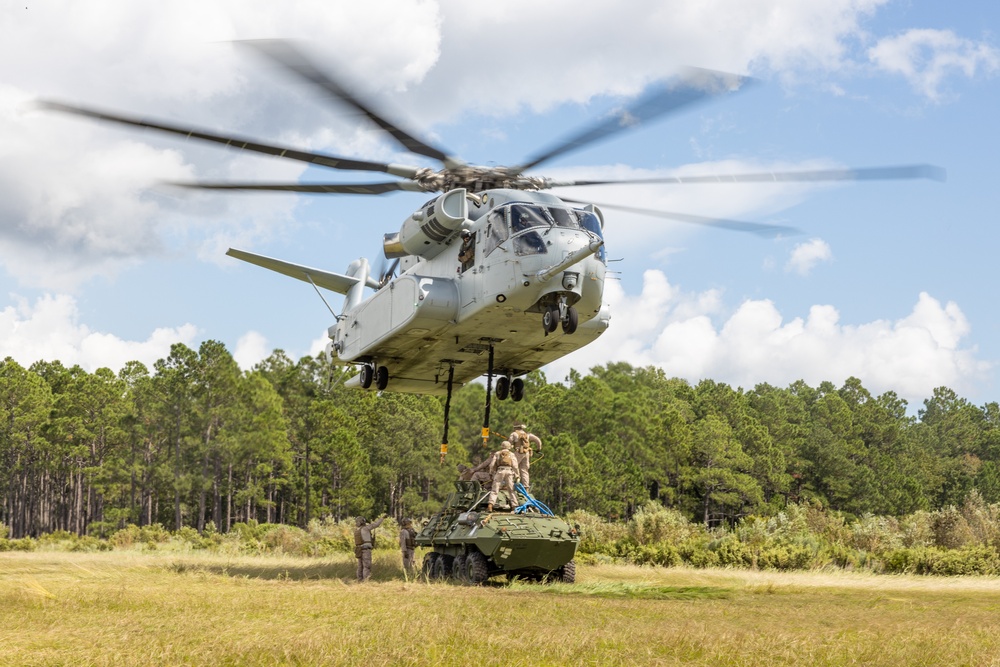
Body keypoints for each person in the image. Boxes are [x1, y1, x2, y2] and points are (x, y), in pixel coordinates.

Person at [485, 440, 520, 513]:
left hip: (500, 471)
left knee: (495, 489)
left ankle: (490, 505)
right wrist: (517, 475)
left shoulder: (497, 453)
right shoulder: (511, 454)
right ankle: (514, 506)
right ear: (509, 447)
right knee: (511, 490)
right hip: (509, 472)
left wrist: (491, 472)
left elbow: (492, 464)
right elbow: (515, 466)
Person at [509, 423, 542, 491]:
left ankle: (509, 484)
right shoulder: (528, 435)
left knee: (512, 467)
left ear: (515, 428)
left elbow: (509, 443)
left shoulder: (514, 434)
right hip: (526, 453)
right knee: (524, 470)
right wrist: (539, 448)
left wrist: (510, 446)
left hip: (518, 452)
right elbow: (538, 440)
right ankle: (526, 487)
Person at [354, 515, 386, 582]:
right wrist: (382, 518)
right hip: (366, 550)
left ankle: (359, 580)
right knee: (366, 566)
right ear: (362, 522)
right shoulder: (365, 528)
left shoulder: (356, 531)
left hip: (359, 550)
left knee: (360, 566)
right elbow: (376, 524)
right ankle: (366, 580)